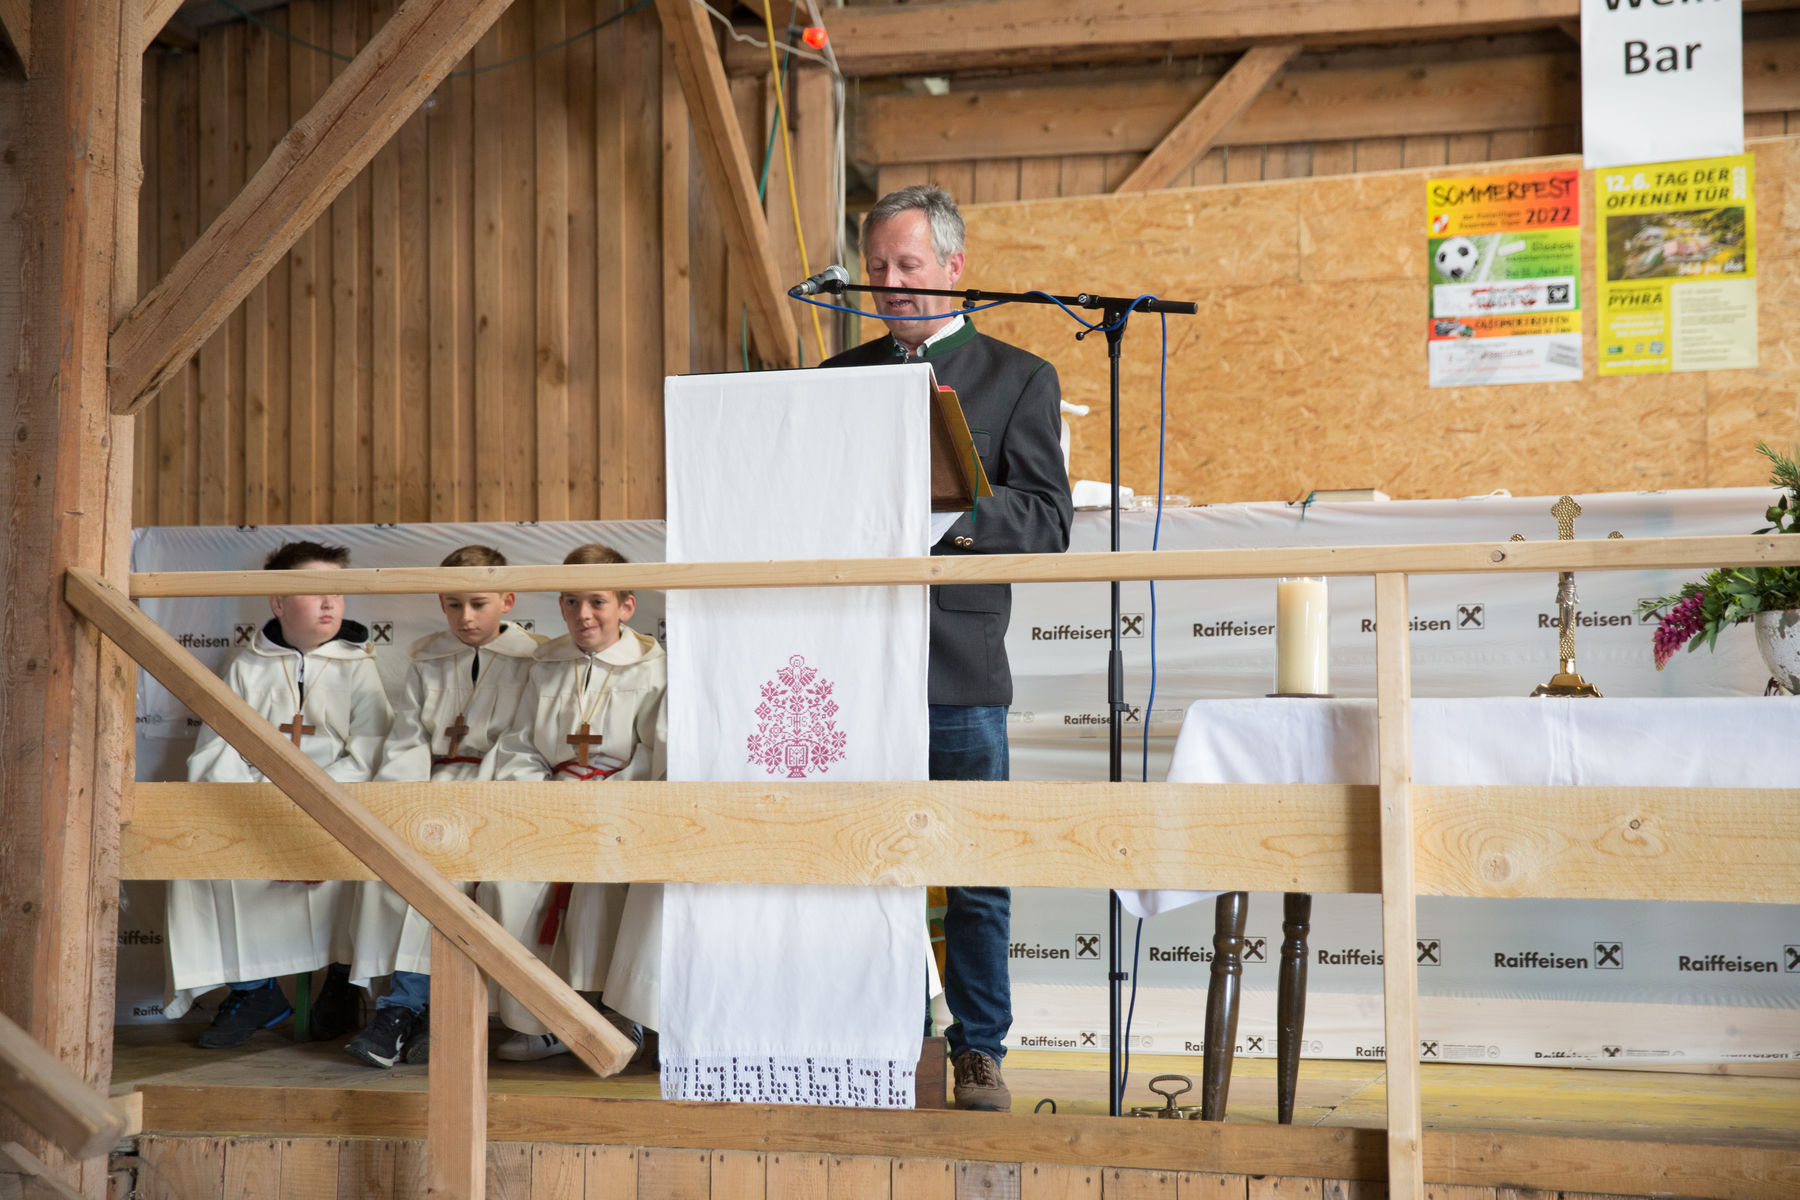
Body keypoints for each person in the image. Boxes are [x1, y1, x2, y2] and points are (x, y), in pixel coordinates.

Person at [821, 185, 1074, 1110]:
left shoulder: (1018, 377)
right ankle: (873, 1034)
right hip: (848, 667)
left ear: (956, 268)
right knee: (859, 860)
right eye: (878, 267)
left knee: (971, 869)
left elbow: (1047, 523)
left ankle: (978, 1048)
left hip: (956, 669)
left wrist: (955, 500)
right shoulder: (832, 377)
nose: (889, 283)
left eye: (908, 265)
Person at [168, 540, 394, 1048]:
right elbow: (217, 751)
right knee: (197, 867)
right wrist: (265, 810)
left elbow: (371, 756)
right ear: (276, 602)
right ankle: (255, 991)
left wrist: (314, 811)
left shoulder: (361, 666)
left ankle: (341, 982)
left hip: (335, 812)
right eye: (315, 593)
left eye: (338, 593)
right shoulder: (248, 666)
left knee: (368, 868)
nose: (330, 604)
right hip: (258, 809)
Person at [344, 545, 543, 1068]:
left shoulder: (535, 660)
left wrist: (473, 803)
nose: (466, 618)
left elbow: (523, 742)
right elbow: (407, 740)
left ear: (508, 599)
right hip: (428, 793)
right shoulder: (427, 657)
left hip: (493, 796)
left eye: (478, 603)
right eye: (452, 605)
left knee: (453, 878)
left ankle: (418, 1013)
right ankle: (408, 1012)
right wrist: (404, 806)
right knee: (397, 872)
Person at [479, 543, 667, 1061]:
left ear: (626, 606)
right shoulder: (545, 665)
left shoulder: (653, 667)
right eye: (570, 602)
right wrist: (544, 801)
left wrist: (606, 800)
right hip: (552, 809)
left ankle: (617, 1015)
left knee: (605, 887)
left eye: (598, 602)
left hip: (622, 812)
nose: (583, 615)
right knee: (505, 884)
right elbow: (518, 745)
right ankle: (541, 1020)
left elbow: (657, 750)